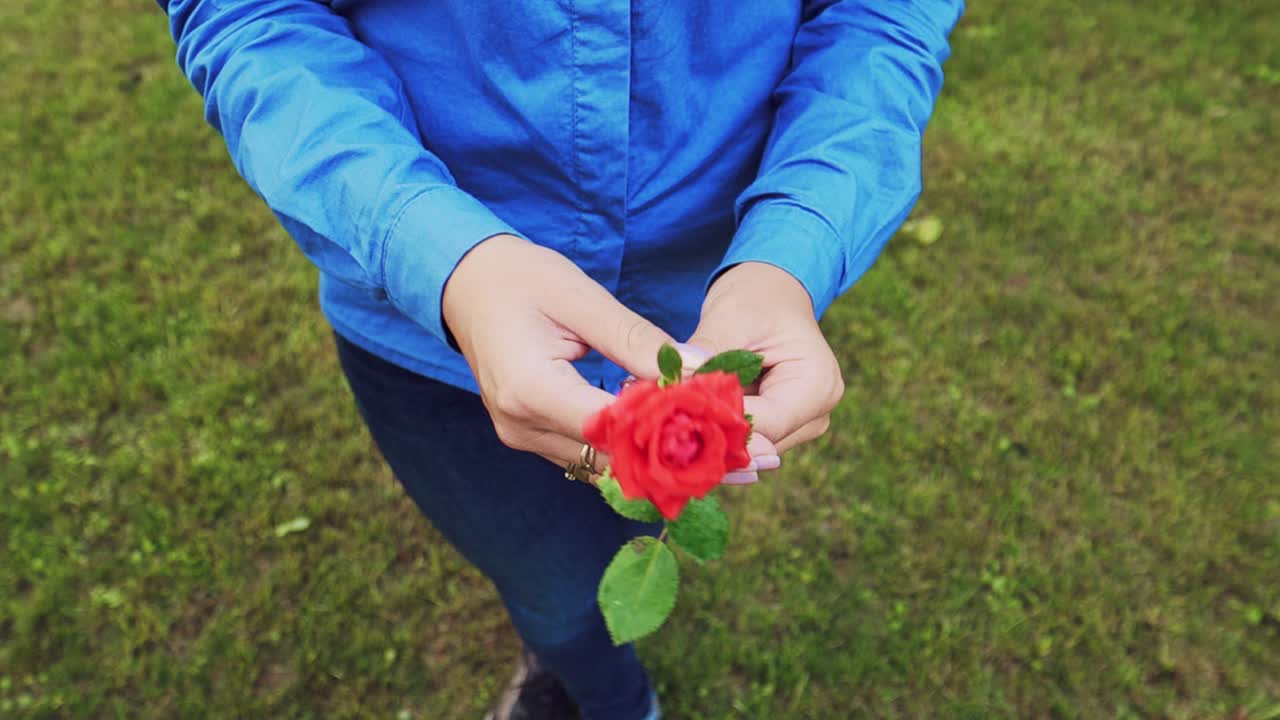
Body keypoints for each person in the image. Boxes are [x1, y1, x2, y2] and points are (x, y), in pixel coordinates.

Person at [158, 1, 963, 718]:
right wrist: (444, 257)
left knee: (583, 572)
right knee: (550, 587)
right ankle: (604, 694)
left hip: (705, 291)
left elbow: (883, 16)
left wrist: (792, 248)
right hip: (433, 339)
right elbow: (250, 16)